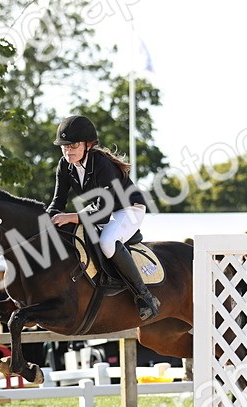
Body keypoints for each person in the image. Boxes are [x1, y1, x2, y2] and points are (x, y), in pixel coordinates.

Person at [46, 114, 161, 321]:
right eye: (64, 146)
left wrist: (73, 217)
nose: (67, 150)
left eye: (73, 145)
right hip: (100, 208)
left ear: (87, 145)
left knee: (108, 241)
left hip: (128, 208)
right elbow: (58, 201)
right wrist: (46, 220)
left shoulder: (101, 164)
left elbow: (104, 212)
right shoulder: (65, 165)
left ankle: (145, 296)